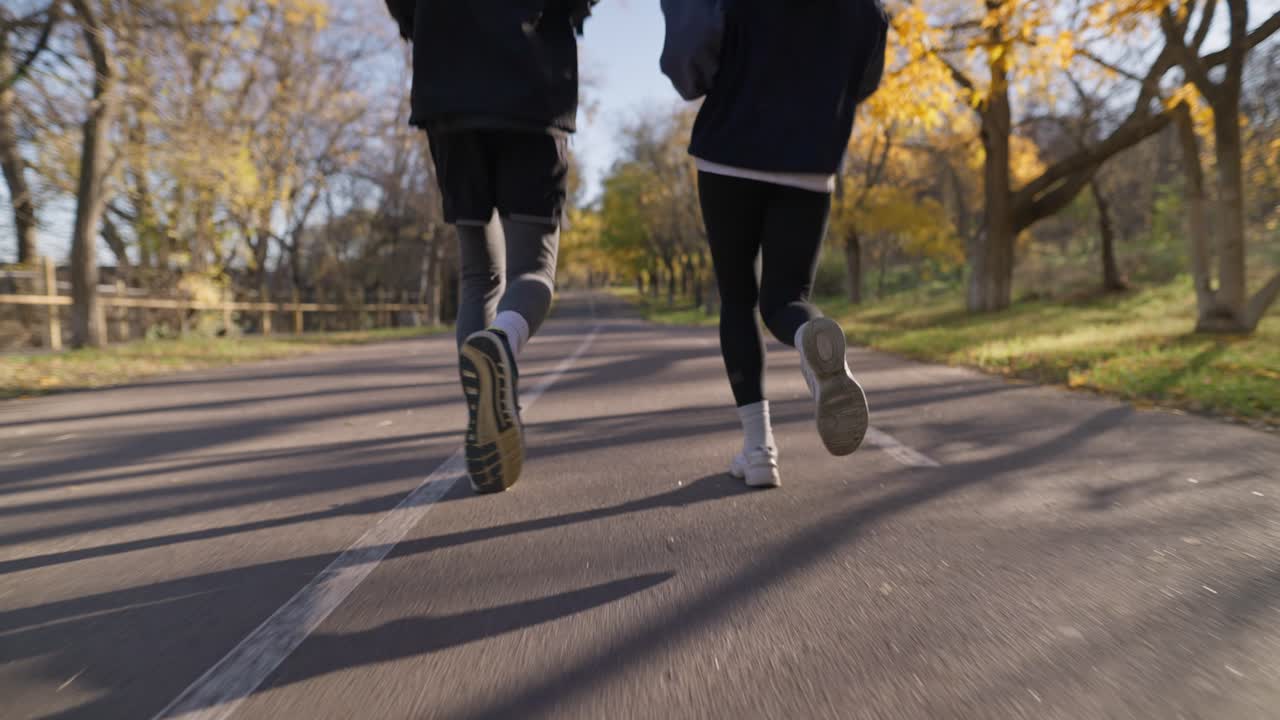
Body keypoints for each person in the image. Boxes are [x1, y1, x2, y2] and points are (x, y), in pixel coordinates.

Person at [661, 0, 889, 488]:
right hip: (810, 162)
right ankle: (809, 337)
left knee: (737, 299)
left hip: (729, 152)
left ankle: (759, 450)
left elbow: (689, 56)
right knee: (787, 299)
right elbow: (864, 81)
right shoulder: (867, 8)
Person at [384, 0, 598, 493]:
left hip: (447, 91)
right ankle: (502, 341)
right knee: (533, 272)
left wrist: (422, 23)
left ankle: (494, 423)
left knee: (479, 276)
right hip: (532, 85)